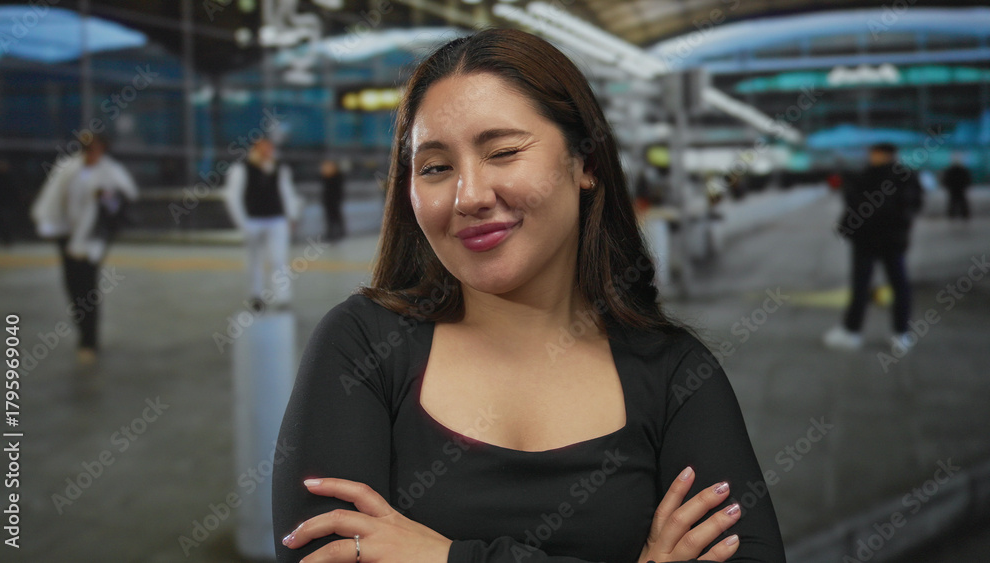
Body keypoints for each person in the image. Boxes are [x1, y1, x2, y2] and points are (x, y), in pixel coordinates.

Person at [272, 28, 785, 563]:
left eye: (503, 151)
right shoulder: (362, 346)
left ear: (585, 161)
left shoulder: (676, 375)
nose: (469, 196)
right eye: (435, 168)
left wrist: (447, 557)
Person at [31, 134, 138, 364]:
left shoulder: (110, 171)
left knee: (88, 286)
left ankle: (89, 340)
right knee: (72, 284)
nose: (93, 152)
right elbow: (52, 199)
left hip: (92, 237)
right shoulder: (68, 168)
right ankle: (83, 330)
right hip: (66, 234)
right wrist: (50, 225)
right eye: (89, 147)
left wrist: (106, 197)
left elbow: (124, 199)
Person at [825, 143, 924, 355]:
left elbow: (853, 203)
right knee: (898, 286)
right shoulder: (906, 177)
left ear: (880, 155)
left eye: (873, 154)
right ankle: (901, 334)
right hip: (892, 240)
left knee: (862, 286)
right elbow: (914, 205)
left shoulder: (866, 176)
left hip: (867, 240)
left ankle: (852, 333)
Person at [223, 137, 303, 311]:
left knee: (278, 259)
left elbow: (287, 193)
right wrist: (242, 222)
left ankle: (282, 297)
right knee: (255, 259)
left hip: (276, 219)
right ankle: (256, 295)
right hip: (254, 220)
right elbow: (233, 197)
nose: (267, 151)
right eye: (263, 148)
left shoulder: (279, 168)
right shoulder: (242, 168)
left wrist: (292, 217)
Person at [319, 158, 346, 241]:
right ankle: (331, 233)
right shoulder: (326, 178)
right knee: (329, 218)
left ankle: (340, 232)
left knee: (336, 216)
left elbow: (339, 189)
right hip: (328, 200)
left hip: (335, 200)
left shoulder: (338, 176)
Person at [942, 156, 972, 221]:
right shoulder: (961, 170)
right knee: (959, 202)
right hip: (958, 189)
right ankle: (962, 214)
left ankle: (954, 214)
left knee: (954, 202)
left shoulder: (951, 171)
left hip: (954, 189)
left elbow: (946, 180)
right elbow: (967, 179)